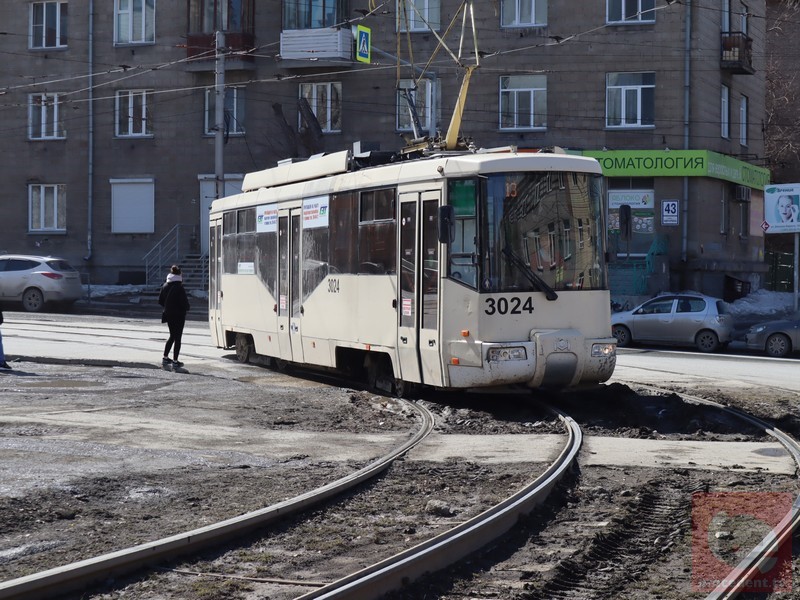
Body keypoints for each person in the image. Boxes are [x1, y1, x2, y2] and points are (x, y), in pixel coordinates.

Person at [158, 265, 191, 368]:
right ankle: (175, 361)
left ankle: (165, 358)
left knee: (172, 336)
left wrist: (168, 307)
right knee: (178, 338)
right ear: (179, 274)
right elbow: (184, 303)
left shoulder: (165, 285)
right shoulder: (179, 287)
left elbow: (160, 301)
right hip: (179, 315)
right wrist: (187, 307)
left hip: (168, 314)